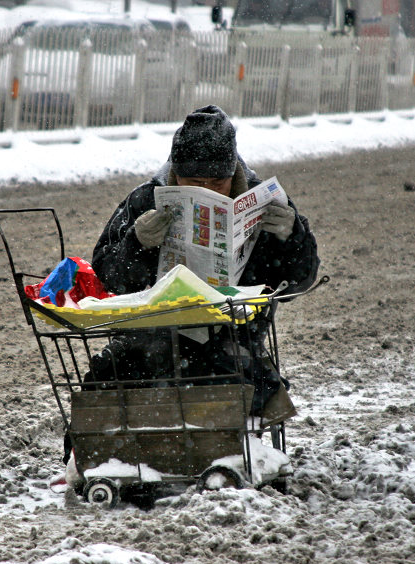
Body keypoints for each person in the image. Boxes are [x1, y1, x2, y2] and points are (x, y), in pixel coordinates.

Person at [89, 104, 320, 422]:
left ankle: (227, 451)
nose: (204, 192)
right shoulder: (144, 201)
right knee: (113, 372)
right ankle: (88, 461)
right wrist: (136, 243)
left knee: (228, 373)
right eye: (193, 181)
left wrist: (293, 236)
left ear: (234, 173)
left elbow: (299, 282)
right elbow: (106, 277)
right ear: (174, 173)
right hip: (152, 331)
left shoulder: (265, 204)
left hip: (234, 334)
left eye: (217, 184)